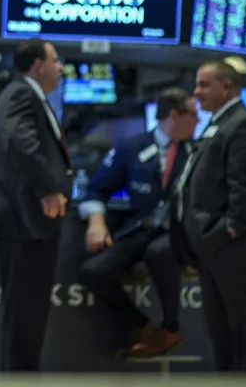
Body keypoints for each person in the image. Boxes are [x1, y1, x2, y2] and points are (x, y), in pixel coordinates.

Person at [80, 88, 197, 358]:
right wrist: (96, 222)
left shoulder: (196, 151)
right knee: (93, 272)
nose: (198, 121)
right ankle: (141, 325)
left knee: (160, 252)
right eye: (193, 114)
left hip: (178, 232)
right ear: (174, 115)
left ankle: (170, 328)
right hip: (142, 228)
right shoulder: (131, 148)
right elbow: (97, 189)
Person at [0, 39, 71, 372]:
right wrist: (48, 190)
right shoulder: (21, 93)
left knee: (26, 318)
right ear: (37, 65)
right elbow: (19, 139)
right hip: (24, 222)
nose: (60, 67)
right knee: (24, 318)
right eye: (55, 60)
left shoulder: (23, 94)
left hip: (26, 223)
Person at [172, 61, 246, 372]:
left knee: (242, 322)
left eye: (204, 85)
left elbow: (245, 185)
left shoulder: (244, 124)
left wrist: (231, 228)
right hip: (211, 242)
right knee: (220, 327)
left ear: (226, 87)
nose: (196, 92)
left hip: (230, 242)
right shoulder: (219, 123)